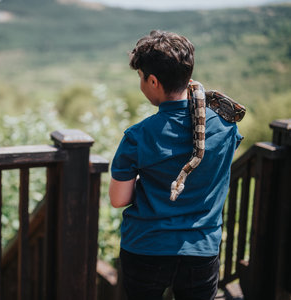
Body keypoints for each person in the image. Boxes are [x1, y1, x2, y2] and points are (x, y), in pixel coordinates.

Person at [109, 30, 243, 300]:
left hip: (146, 247)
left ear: (154, 81)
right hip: (201, 248)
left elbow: (118, 199)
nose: (142, 84)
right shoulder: (227, 127)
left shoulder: (138, 135)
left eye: (141, 78)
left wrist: (147, 184)